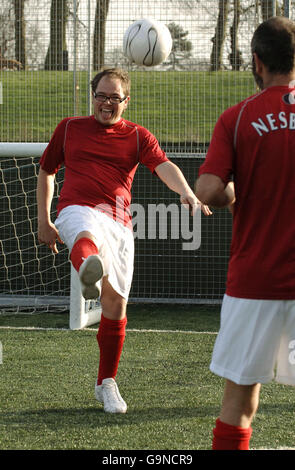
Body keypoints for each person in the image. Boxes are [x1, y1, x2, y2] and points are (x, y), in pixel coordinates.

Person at [37, 67, 211, 414]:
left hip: (118, 222)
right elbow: (47, 171)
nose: (106, 103)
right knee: (86, 236)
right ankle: (88, 267)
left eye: (114, 98)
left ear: (126, 102)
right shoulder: (69, 128)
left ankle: (106, 384)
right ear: (93, 95)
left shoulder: (137, 136)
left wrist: (187, 192)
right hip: (77, 208)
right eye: (101, 95)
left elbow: (164, 165)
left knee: (115, 306)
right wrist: (43, 220)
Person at [195, 16, 295, 450]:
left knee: (239, 401)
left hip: (255, 283)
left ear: (257, 61)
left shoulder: (237, 118)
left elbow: (210, 190)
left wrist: (235, 188)